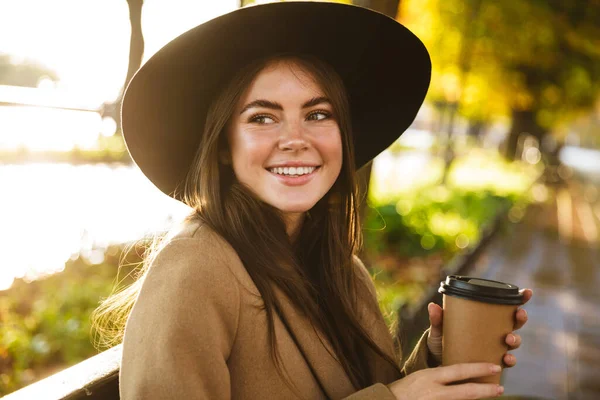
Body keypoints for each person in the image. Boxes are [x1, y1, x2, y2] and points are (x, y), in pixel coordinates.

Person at [92, 2, 532, 399]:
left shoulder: (343, 269)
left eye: (318, 114)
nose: (295, 140)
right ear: (224, 146)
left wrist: (434, 360)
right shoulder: (195, 269)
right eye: (262, 117)